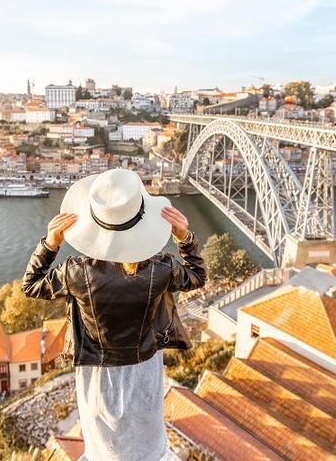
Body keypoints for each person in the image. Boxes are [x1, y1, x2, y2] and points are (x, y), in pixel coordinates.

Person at [22, 168, 205, 461]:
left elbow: (31, 285)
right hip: (144, 368)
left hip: (97, 373)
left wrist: (50, 244)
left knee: (103, 449)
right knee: (147, 446)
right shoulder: (162, 268)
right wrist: (185, 238)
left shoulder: (75, 272)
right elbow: (197, 276)